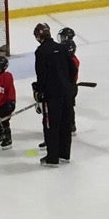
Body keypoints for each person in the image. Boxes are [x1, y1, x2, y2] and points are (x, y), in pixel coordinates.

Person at [32, 22, 76, 165]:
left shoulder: (41, 52)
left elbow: (41, 75)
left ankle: (52, 158)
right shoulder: (62, 48)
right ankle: (64, 154)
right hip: (66, 93)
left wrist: (39, 91)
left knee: (51, 125)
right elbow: (73, 68)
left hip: (52, 95)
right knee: (65, 123)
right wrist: (69, 85)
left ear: (38, 36)